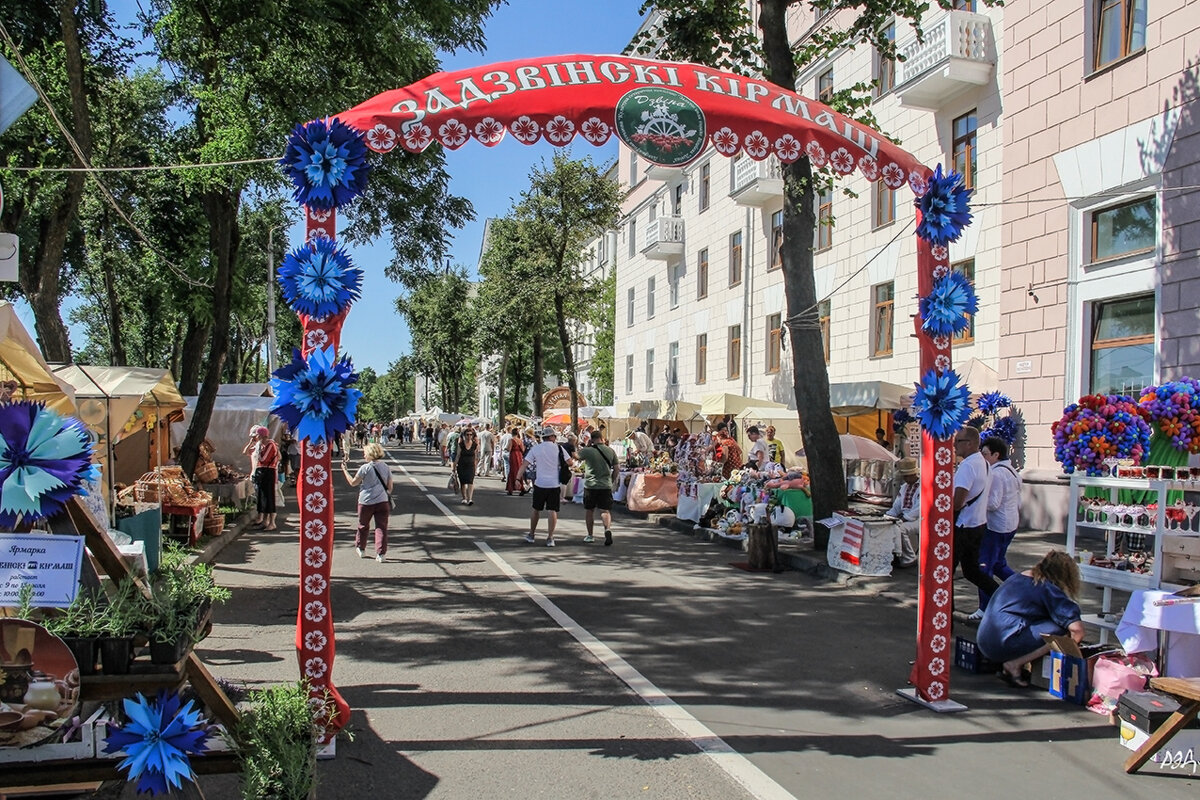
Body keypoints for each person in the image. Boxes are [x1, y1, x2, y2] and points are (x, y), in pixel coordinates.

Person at [977, 550, 1084, 688]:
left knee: (1044, 623)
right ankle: (1015, 664)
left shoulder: (1019, 577)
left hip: (984, 642)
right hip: (1002, 644)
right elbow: (1078, 630)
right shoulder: (1048, 587)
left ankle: (1015, 662)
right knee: (1060, 630)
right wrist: (1071, 651)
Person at [971, 436, 1023, 619]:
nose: (983, 457)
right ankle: (1022, 588)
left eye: (985, 454)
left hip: (996, 526)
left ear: (996, 454)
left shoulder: (997, 474)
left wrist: (975, 500)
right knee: (999, 563)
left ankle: (985, 607)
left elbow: (993, 503)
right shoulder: (1012, 471)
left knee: (984, 567)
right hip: (1009, 524)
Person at [953, 427, 1000, 609]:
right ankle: (1000, 596)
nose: (955, 445)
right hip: (978, 523)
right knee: (972, 571)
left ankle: (945, 615)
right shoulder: (984, 463)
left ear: (970, 443)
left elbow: (958, 502)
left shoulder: (968, 466)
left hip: (963, 525)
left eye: (958, 441)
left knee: (945, 573)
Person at [340, 442, 392, 562]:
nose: (364, 456)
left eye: (365, 453)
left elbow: (353, 482)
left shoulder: (365, 468)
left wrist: (345, 470)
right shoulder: (386, 467)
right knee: (381, 527)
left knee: (363, 525)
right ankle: (381, 553)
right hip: (382, 501)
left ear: (370, 454)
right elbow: (390, 487)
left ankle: (361, 548)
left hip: (366, 501)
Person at [524, 428, 568, 546]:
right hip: (554, 484)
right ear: (552, 437)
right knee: (552, 510)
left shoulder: (536, 448)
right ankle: (550, 537)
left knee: (536, 509)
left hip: (540, 483)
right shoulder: (559, 448)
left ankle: (532, 534)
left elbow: (525, 463)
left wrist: (518, 477)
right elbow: (570, 462)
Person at [578, 430, 618, 545]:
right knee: (605, 510)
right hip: (605, 485)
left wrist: (587, 446)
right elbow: (616, 469)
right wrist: (612, 480)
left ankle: (590, 535)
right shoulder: (610, 450)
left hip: (590, 485)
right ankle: (607, 529)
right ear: (602, 438)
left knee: (589, 510)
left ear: (591, 439)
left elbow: (576, 456)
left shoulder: (588, 451)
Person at [884, 457, 920, 568]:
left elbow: (919, 509)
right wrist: (887, 516)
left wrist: (904, 518)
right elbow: (897, 506)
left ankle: (909, 557)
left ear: (913, 474)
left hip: (921, 518)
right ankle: (895, 555)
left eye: (906, 476)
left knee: (900, 529)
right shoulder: (904, 487)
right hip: (906, 516)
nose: (905, 478)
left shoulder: (923, 487)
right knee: (886, 526)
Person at [243, 426, 279, 531]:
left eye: (256, 435)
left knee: (269, 496)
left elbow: (263, 459)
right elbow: (247, 452)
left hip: (268, 472)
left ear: (261, 435)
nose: (255, 438)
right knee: (262, 497)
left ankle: (272, 522)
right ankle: (264, 520)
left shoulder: (270, 445)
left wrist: (258, 450)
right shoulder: (260, 445)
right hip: (260, 472)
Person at [454, 428, 479, 505]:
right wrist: (454, 466)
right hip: (462, 465)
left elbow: (476, 456)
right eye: (467, 435)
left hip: (471, 465)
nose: (469, 436)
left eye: (470, 435)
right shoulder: (461, 445)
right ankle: (464, 498)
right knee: (463, 482)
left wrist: (476, 466)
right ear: (464, 436)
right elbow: (458, 455)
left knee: (470, 482)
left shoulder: (475, 445)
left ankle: (470, 499)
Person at [505, 426, 525, 496]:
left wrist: (506, 448)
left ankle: (511, 489)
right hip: (519, 455)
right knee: (519, 471)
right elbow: (523, 450)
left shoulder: (511, 440)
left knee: (512, 471)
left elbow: (509, 449)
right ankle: (521, 487)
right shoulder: (520, 440)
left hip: (513, 455)